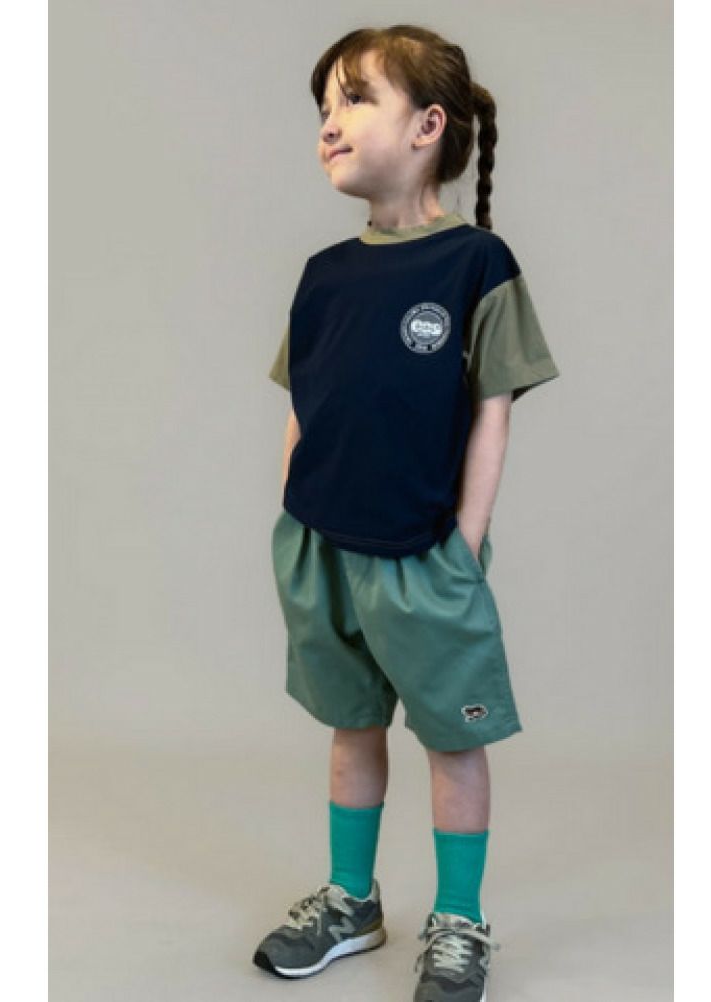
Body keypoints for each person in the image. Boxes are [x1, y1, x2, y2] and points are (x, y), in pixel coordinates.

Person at [252, 24, 560, 1002]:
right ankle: (353, 901)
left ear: (428, 126)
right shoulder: (322, 274)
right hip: (323, 546)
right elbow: (305, 403)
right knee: (352, 727)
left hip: (423, 555)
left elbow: (493, 411)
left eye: (353, 99)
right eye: (323, 107)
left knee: (451, 740)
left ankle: (459, 919)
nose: (329, 123)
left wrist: (463, 543)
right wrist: (293, 512)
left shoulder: (477, 264)